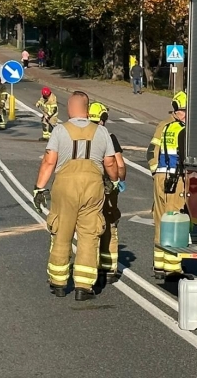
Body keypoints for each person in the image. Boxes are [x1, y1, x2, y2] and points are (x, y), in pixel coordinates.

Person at [32, 92, 119, 301]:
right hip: (93, 187)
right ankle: (83, 286)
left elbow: (49, 161)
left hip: (65, 187)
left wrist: (39, 188)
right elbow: (110, 163)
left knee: (62, 232)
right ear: (87, 109)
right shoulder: (101, 132)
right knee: (89, 235)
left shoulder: (60, 130)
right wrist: (113, 181)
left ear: (71, 108)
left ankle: (59, 283)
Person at [147, 91, 187, 280]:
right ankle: (172, 267)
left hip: (160, 177)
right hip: (174, 178)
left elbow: (151, 151)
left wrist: (156, 171)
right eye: (183, 111)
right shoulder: (181, 128)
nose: (185, 114)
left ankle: (159, 265)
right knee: (173, 219)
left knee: (160, 219)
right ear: (175, 110)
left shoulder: (162, 126)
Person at [88, 101, 126, 284]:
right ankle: (109, 268)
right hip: (108, 188)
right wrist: (118, 180)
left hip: (87, 189)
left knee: (89, 227)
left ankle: (89, 268)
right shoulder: (109, 137)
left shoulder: (81, 137)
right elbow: (119, 165)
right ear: (103, 119)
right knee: (109, 225)